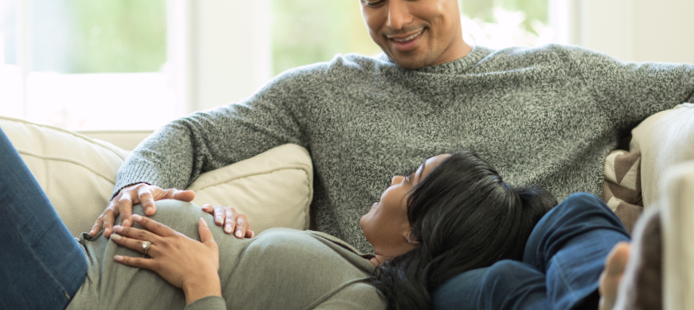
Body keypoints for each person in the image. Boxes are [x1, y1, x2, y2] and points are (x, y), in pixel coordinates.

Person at [93, 0, 694, 255]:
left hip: (537, 286)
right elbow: (192, 133)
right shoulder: (322, 93)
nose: (396, 21)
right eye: (374, 1)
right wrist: (139, 181)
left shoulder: (564, 76)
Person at [3, 125, 660, 310]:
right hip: (78, 265)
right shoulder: (361, 267)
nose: (394, 177)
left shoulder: (358, 302)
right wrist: (198, 212)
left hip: (73, 294)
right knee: (569, 223)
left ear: (420, 229)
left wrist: (204, 282)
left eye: (412, 179)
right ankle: (599, 293)